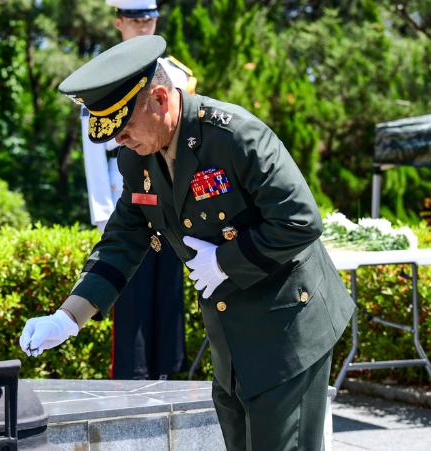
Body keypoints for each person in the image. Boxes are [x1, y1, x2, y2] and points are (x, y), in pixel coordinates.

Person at [20, 35, 355, 449]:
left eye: (123, 129)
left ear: (160, 99)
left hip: (289, 326)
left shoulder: (234, 137)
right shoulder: (138, 156)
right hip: (230, 335)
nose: (117, 143)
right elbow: (124, 237)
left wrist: (227, 261)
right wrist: (68, 317)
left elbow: (300, 220)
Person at [80, 0, 197, 380]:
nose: (143, 26)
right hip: (128, 196)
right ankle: (133, 377)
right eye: (134, 20)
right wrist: (102, 215)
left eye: (148, 18)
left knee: (168, 296)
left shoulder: (176, 74)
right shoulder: (103, 78)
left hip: (171, 199)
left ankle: (168, 373)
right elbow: (95, 155)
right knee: (129, 295)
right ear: (119, 23)